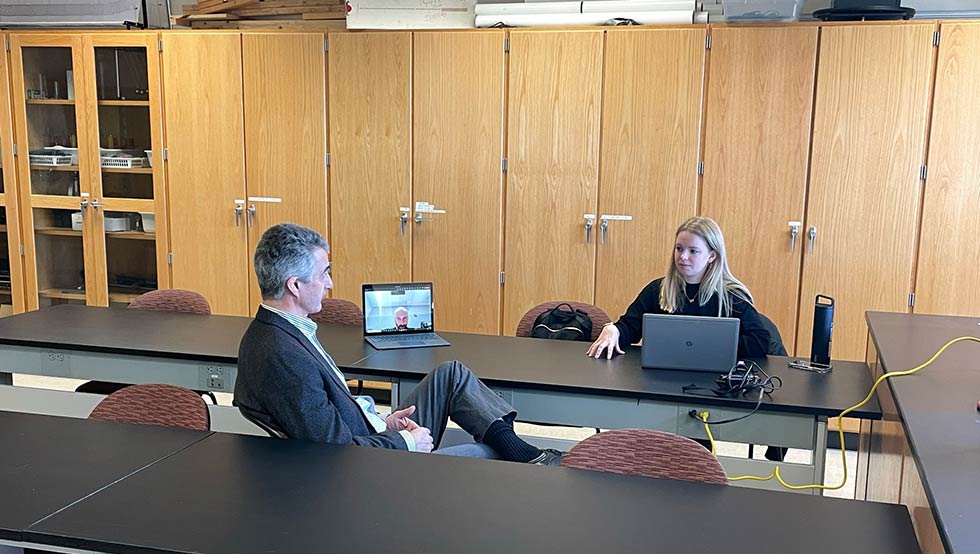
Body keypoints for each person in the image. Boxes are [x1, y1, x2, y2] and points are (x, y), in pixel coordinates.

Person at [234, 223, 563, 465]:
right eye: (324, 274)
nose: (330, 284)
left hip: (372, 433)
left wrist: (383, 422)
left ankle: (523, 452)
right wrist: (404, 441)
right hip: (371, 468)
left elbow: (330, 415)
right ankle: (526, 457)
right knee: (491, 452)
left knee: (451, 375)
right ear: (294, 285)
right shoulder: (282, 355)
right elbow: (334, 451)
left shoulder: (279, 331)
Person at [587, 216, 771, 360]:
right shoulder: (658, 289)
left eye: (693, 251)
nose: (683, 256)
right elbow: (630, 328)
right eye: (679, 248)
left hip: (715, 380)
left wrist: (711, 344)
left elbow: (760, 342)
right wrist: (614, 330)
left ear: (712, 256)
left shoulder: (730, 296)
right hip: (662, 377)